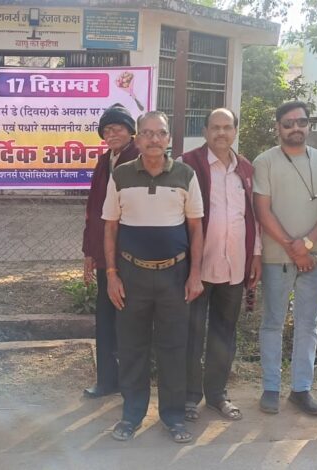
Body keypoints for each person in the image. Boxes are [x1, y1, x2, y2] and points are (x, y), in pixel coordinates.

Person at [102, 111, 204, 444]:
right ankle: (132, 415)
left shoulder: (185, 175)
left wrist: (195, 274)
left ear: (168, 138)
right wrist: (112, 275)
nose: (154, 139)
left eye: (160, 133)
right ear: (138, 138)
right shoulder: (121, 175)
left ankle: (173, 417)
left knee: (174, 347)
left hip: (175, 276)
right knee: (132, 347)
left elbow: (195, 227)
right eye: (147, 133)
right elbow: (110, 227)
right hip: (131, 276)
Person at [252, 100, 317, 415]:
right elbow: (262, 211)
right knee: (272, 323)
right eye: (288, 124)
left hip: (316, 259)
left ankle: (301, 389)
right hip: (277, 259)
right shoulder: (264, 162)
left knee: (308, 326)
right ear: (278, 127)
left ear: (309, 125)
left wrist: (308, 244)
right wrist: (293, 248)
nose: (295, 128)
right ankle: (271, 388)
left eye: (301, 122)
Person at [179, 108, 261, 422]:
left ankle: (217, 395)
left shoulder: (246, 169)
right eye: (215, 127)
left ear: (235, 131)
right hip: (197, 268)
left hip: (234, 266)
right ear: (205, 131)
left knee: (224, 333)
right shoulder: (188, 164)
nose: (221, 133)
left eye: (227, 127)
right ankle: (189, 397)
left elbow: (251, 216)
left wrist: (255, 255)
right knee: (192, 332)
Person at [81, 104, 139, 398]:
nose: (112, 134)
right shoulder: (105, 161)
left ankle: (131, 383)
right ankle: (106, 380)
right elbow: (93, 210)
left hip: (133, 255)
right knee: (105, 318)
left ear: (131, 131)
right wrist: (89, 252)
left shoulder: (140, 159)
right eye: (107, 130)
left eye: (118, 128)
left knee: (129, 320)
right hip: (105, 254)